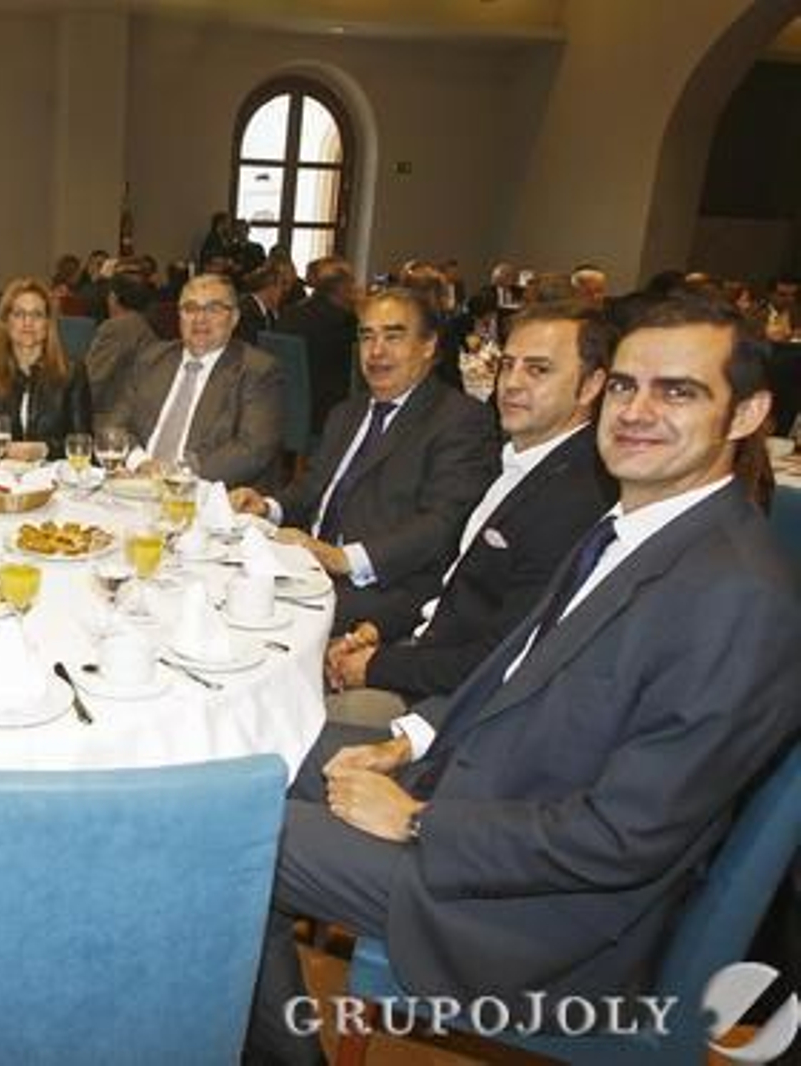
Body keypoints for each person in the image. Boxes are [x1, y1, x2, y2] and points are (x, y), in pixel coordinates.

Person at [243, 293, 799, 1065]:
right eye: (626, 385)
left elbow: (625, 838)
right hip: (485, 793)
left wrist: (417, 820)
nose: (637, 412)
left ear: (747, 415)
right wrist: (405, 745)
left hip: (538, 915)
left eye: (678, 391)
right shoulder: (632, 529)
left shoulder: (739, 598)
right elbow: (512, 673)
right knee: (256, 765)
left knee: (233, 838)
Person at [322, 301, 617, 725]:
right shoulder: (523, 462)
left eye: (538, 370)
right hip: (418, 645)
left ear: (591, 386)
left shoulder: (575, 497)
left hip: (452, 706)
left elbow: (505, 657)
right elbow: (457, 581)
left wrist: (376, 665)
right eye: (508, 365)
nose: (511, 384)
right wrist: (377, 630)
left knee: (286, 726)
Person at [234, 288, 498, 636]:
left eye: (393, 336)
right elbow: (312, 486)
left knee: (249, 620)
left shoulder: (460, 420)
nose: (376, 351)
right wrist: (268, 508)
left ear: (428, 345)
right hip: (305, 569)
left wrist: (341, 558)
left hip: (382, 588)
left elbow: (441, 525)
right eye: (367, 336)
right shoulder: (347, 412)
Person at [106, 273, 283, 488]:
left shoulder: (257, 371)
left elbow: (252, 449)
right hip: (137, 484)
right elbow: (114, 424)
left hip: (206, 493)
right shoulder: (152, 359)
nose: (200, 319)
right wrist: (140, 463)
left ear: (234, 318)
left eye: (213, 309)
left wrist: (177, 476)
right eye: (190, 308)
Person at [0, 278, 91, 460]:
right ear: (6, 321)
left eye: (37, 315)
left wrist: (44, 450)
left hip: (53, 474)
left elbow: (83, 444)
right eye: (19, 314)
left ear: (48, 323)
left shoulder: (72, 373)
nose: (28, 322)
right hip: (0, 473)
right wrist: (5, 450)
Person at [277, 256, 359, 430]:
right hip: (326, 413)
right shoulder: (343, 323)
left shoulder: (290, 313)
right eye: (352, 282)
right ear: (341, 287)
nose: (356, 287)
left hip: (285, 405)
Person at [83, 273, 158, 428]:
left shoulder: (115, 328)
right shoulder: (144, 325)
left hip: (109, 417)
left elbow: (92, 380)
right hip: (135, 413)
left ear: (113, 297)